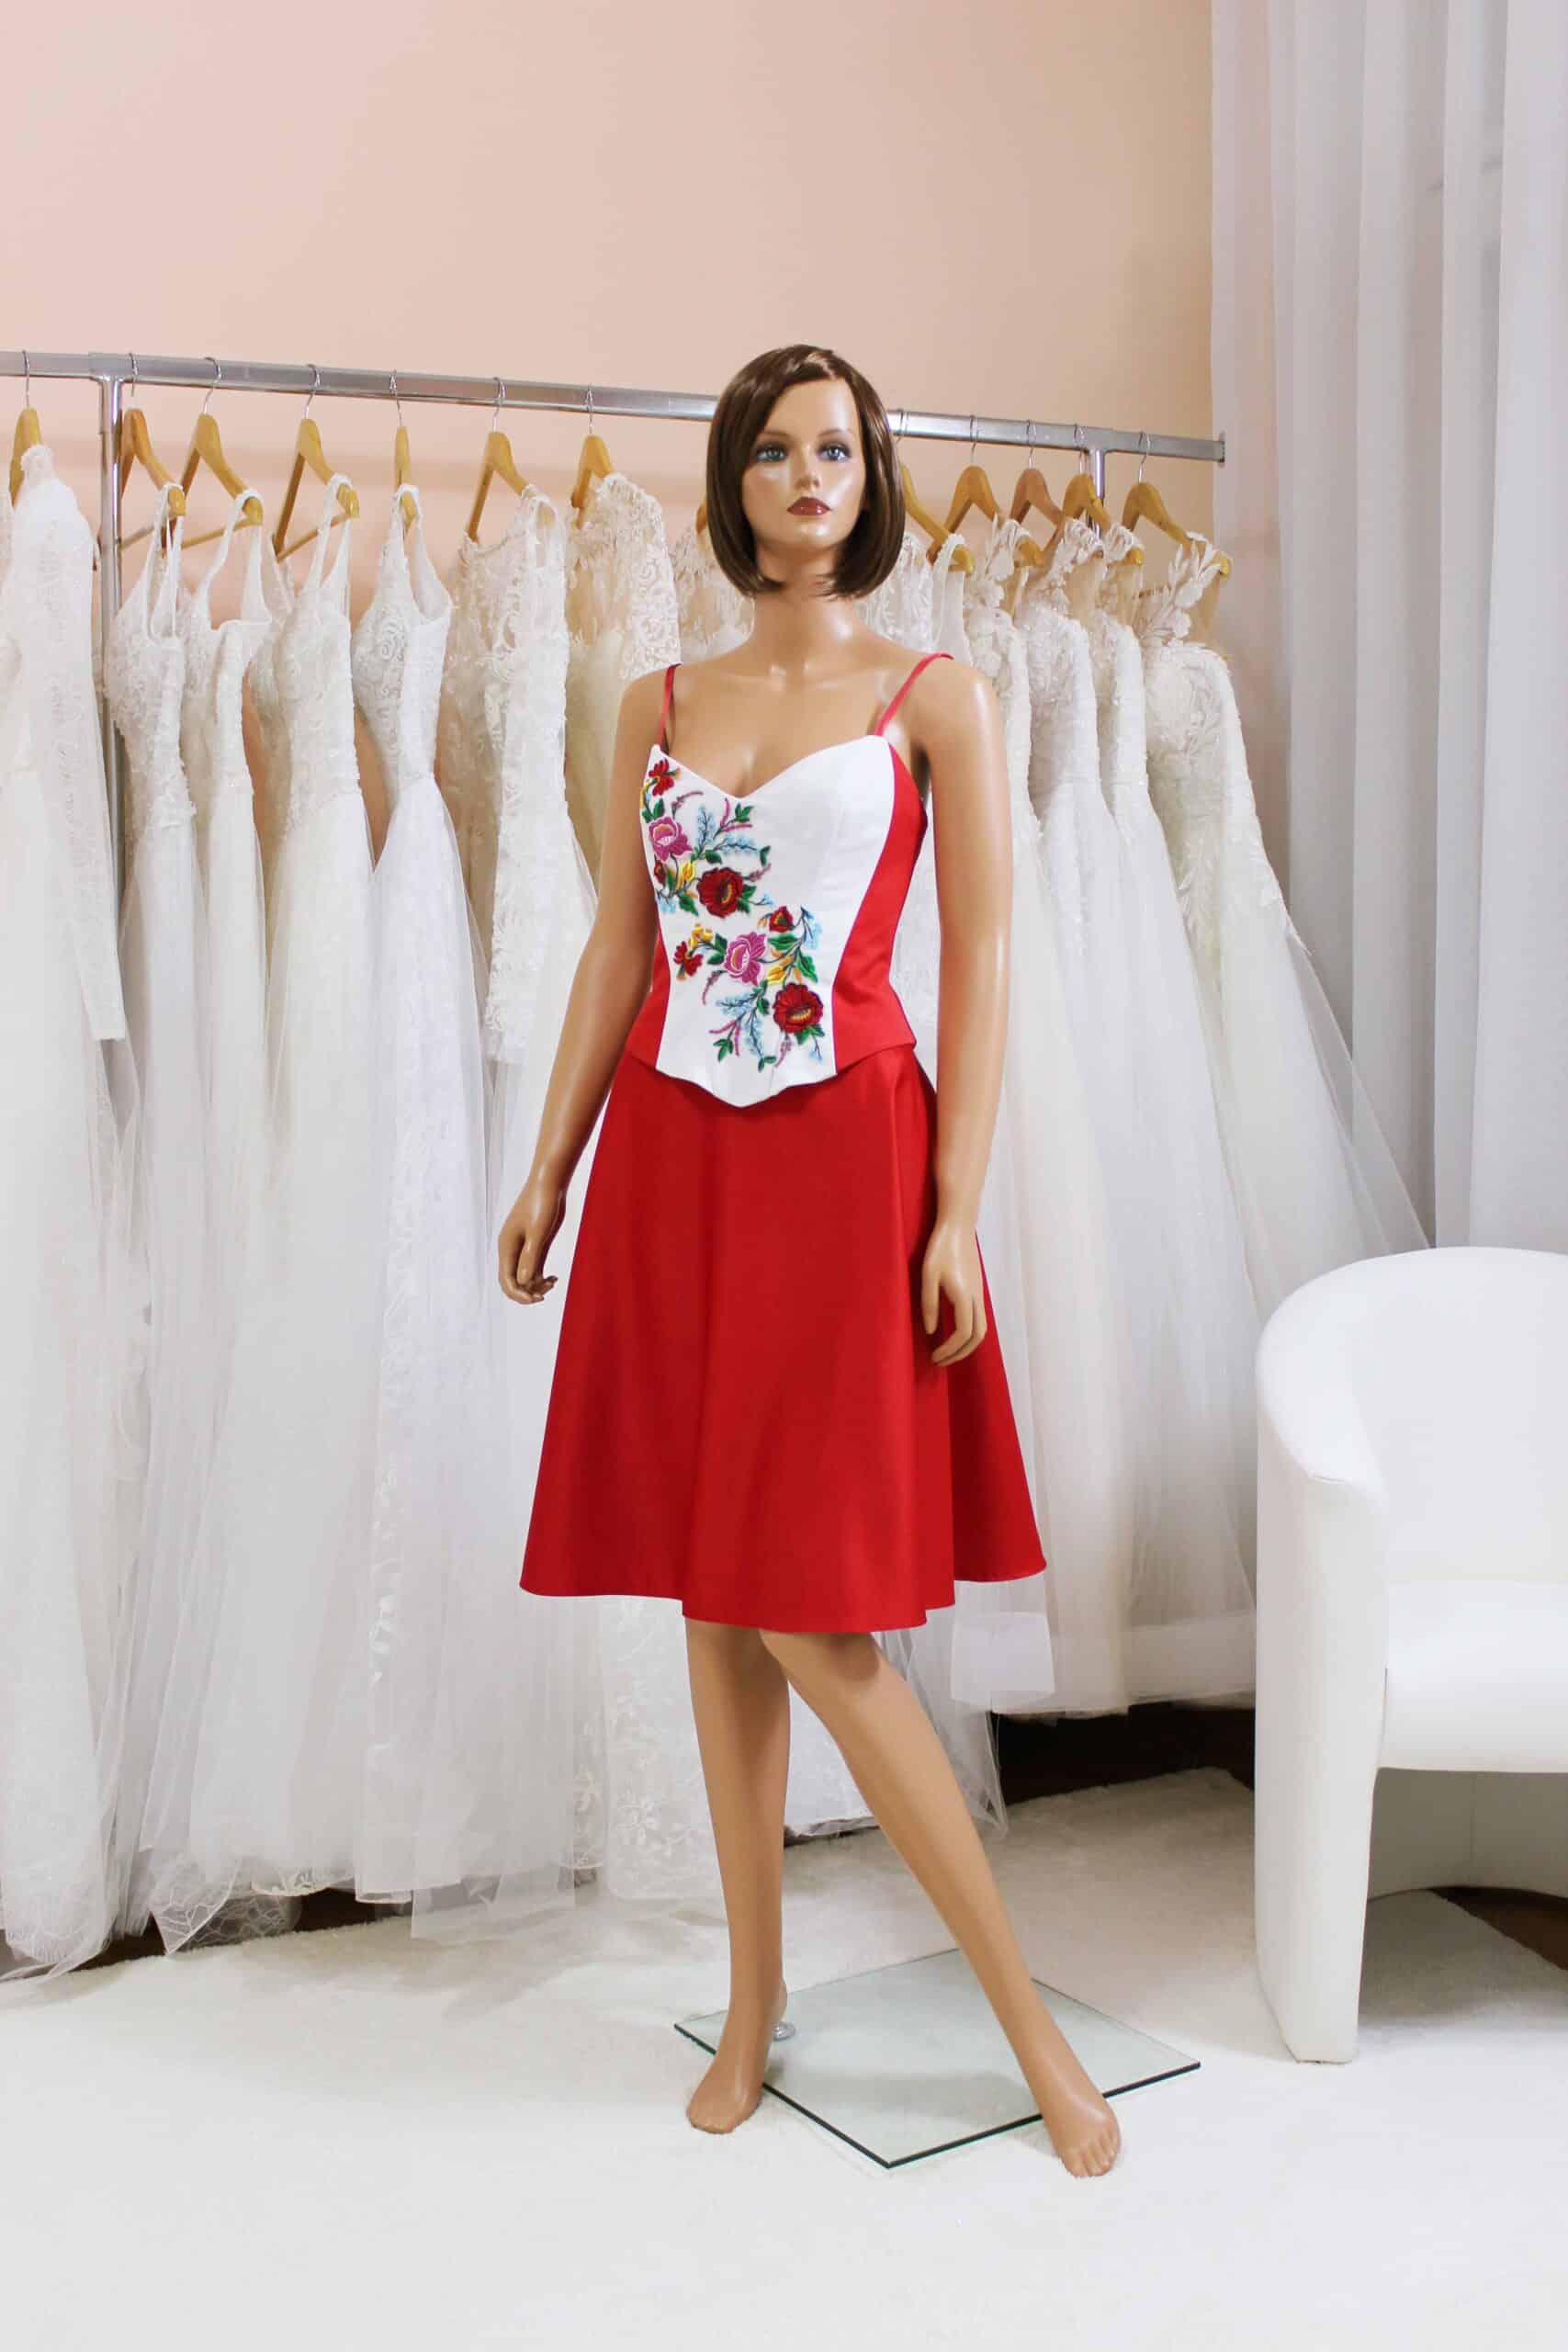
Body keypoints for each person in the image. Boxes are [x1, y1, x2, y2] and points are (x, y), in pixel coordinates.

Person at [500, 345, 1122, 2178]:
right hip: (672, 1159)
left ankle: (1026, 2026)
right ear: (734, 479)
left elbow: (981, 954)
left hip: (847, 1160)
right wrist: (549, 1159)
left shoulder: (937, 697)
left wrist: (955, 1204)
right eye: (774, 449)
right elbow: (621, 948)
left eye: (835, 448)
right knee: (716, 1594)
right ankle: (753, 1997)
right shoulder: (652, 699)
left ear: (871, 476)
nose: (806, 475)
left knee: (813, 1614)